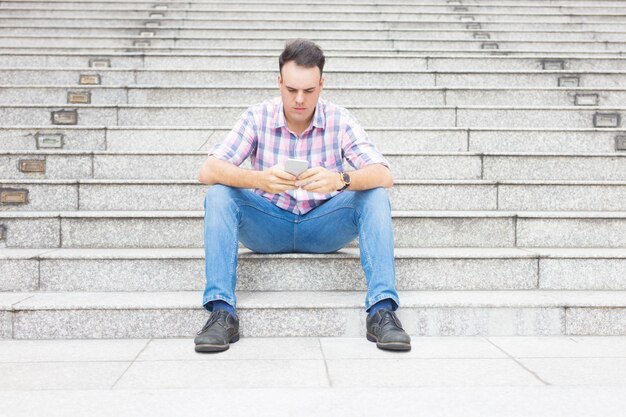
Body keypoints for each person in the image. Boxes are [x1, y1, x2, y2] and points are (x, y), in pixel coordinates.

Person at [194, 39, 411, 353]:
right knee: (219, 195)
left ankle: (382, 311)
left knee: (374, 196)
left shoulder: (339, 119)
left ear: (322, 84)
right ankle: (221, 312)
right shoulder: (257, 117)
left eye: (309, 91)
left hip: (323, 226)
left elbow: (384, 175)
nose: (299, 99)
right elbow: (208, 170)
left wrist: (339, 179)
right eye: (291, 89)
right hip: (268, 224)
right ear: (279, 81)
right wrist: (260, 180)